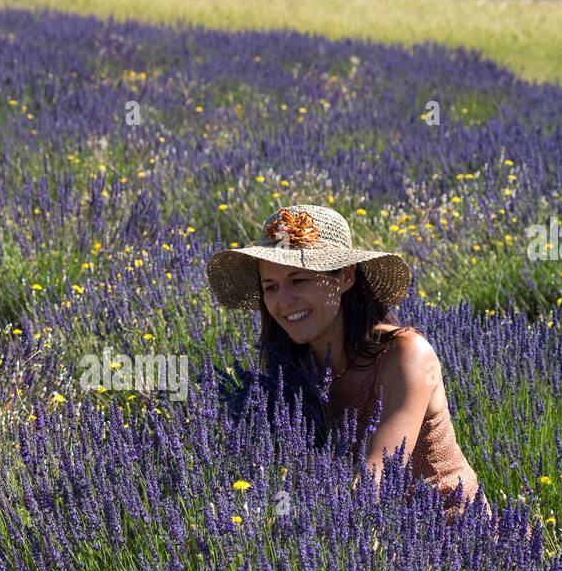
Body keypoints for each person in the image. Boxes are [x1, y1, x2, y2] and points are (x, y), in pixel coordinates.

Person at [207, 202, 491, 520]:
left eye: (299, 280)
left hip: (450, 543)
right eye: (270, 287)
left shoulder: (405, 355)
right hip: (351, 545)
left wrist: (281, 520)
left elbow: (376, 483)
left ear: (345, 276)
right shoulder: (290, 370)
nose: (283, 302)